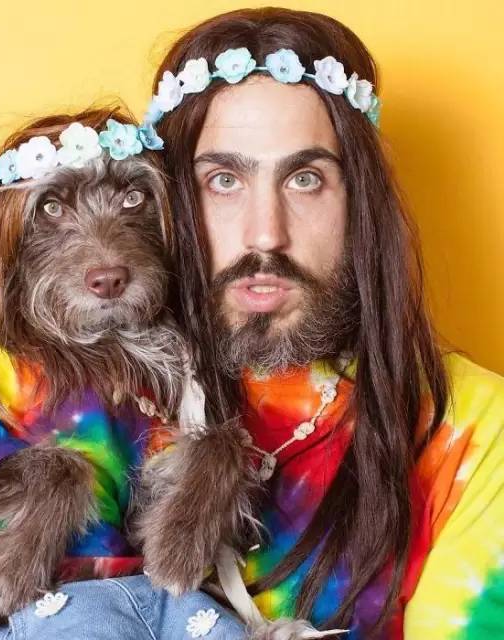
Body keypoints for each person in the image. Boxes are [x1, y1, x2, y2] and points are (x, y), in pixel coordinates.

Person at [142, 7, 504, 640]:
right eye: (222, 180)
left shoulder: (476, 431)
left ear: (360, 200)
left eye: (305, 179)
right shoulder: (86, 402)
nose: (265, 234)